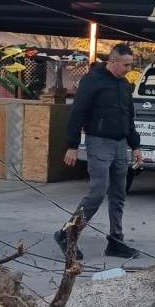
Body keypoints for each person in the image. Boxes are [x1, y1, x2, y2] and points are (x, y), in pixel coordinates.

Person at [55, 43, 143, 260]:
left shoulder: (124, 85)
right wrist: (72, 145)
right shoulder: (93, 81)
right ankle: (68, 234)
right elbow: (77, 112)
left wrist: (136, 145)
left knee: (118, 194)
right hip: (99, 142)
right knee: (97, 191)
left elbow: (128, 118)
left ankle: (116, 241)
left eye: (130, 65)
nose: (129, 69)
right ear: (112, 61)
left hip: (120, 144)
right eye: (126, 65)